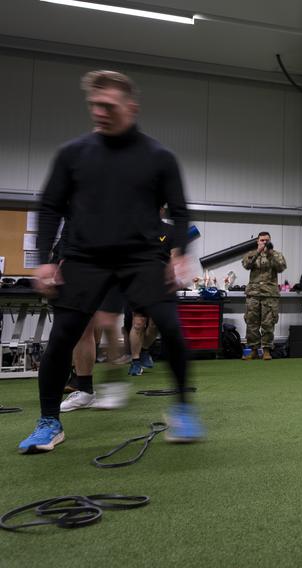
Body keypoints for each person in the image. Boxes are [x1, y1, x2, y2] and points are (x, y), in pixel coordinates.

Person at [19, 69, 202, 454]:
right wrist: (42, 261)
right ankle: (49, 422)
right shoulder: (73, 154)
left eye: (108, 105)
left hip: (142, 257)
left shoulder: (159, 157)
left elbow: (182, 212)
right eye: (94, 105)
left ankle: (183, 409)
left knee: (170, 326)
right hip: (86, 257)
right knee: (62, 338)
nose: (99, 112)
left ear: (130, 107)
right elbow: (50, 206)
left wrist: (181, 256)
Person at [241, 231, 287, 360]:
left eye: (267, 240)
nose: (264, 242)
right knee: (252, 323)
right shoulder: (251, 254)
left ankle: (266, 350)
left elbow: (281, 267)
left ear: (270, 241)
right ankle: (253, 350)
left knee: (268, 323)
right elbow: (246, 265)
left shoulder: (276, 255)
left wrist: (270, 253)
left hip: (269, 294)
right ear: (257, 241)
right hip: (253, 294)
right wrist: (258, 252)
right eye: (262, 240)